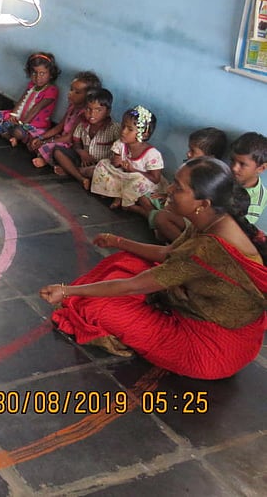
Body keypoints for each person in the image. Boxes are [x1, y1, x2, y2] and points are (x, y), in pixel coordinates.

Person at [40, 158, 267, 380]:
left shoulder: (207, 248)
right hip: (209, 316)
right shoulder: (213, 219)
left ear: (203, 203)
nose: (169, 189)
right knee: (126, 261)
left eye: (178, 187)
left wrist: (67, 291)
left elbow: (132, 286)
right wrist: (117, 241)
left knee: (98, 308)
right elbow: (166, 253)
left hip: (212, 349)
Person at [146, 127, 229, 242]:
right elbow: (178, 189)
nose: (188, 153)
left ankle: (182, 244)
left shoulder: (210, 179)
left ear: (209, 157)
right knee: (146, 197)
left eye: (193, 151)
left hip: (192, 216)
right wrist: (166, 195)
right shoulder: (189, 167)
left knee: (161, 218)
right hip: (185, 210)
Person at [91, 105, 166, 212]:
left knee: (137, 181)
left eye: (130, 129)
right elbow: (115, 164)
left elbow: (155, 179)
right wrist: (116, 162)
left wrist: (133, 170)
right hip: (124, 175)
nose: (123, 131)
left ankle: (123, 199)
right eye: (123, 126)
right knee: (103, 164)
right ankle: (119, 195)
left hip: (142, 179)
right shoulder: (120, 144)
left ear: (144, 135)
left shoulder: (152, 154)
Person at [0, 51, 60, 147]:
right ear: (29, 73)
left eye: (42, 73)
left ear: (51, 74)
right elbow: (22, 100)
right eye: (34, 73)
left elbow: (36, 108)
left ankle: (7, 133)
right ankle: (8, 135)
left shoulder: (52, 90)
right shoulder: (32, 85)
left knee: (18, 132)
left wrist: (22, 123)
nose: (38, 77)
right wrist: (13, 114)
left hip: (32, 123)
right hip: (19, 117)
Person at [52, 88, 120, 190]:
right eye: (88, 109)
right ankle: (81, 178)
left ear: (108, 111)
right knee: (58, 151)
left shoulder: (115, 129)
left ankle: (72, 171)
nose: (92, 114)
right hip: (84, 161)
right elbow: (76, 142)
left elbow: (120, 150)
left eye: (98, 110)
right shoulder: (82, 125)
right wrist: (81, 152)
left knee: (100, 171)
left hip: (102, 166)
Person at [30, 70, 101, 168]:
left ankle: (46, 160)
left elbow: (69, 138)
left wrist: (46, 142)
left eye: (77, 92)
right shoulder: (72, 107)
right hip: (61, 137)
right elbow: (59, 127)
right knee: (34, 137)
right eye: (71, 89)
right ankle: (47, 156)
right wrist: (41, 138)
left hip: (71, 144)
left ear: (88, 97)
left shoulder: (83, 114)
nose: (70, 93)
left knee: (49, 147)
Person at [229, 132, 267, 225]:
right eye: (232, 160)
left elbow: (238, 228)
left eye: (242, 164)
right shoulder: (226, 176)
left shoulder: (256, 203)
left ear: (261, 168)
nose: (234, 168)